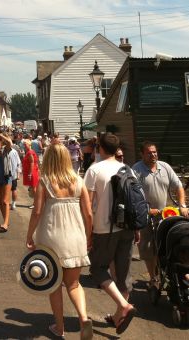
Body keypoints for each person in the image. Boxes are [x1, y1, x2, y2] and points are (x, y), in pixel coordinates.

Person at [26, 143, 93, 340]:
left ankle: (60, 328)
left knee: (53, 284)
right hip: (75, 237)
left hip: (51, 237)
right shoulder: (79, 181)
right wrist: (88, 235)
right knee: (73, 284)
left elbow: (37, 212)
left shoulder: (45, 182)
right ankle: (83, 317)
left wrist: (29, 235)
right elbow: (88, 214)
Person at [83, 133, 137, 334]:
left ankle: (123, 307)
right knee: (123, 274)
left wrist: (88, 232)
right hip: (128, 227)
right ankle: (118, 317)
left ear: (100, 149)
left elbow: (87, 206)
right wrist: (136, 228)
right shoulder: (128, 169)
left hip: (104, 228)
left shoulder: (94, 170)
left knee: (97, 268)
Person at [132, 141, 189, 290]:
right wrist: (146, 208)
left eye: (155, 152)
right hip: (146, 215)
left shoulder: (165, 167)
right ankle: (153, 278)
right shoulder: (136, 170)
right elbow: (133, 195)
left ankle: (170, 273)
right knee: (148, 247)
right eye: (149, 153)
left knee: (167, 245)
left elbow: (178, 187)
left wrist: (182, 205)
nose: (153, 155)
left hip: (165, 214)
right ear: (142, 154)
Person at [22, 140, 39, 209]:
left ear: (29, 144)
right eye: (24, 144)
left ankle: (35, 204)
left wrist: (30, 174)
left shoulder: (30, 152)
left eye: (25, 144)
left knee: (34, 188)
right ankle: (36, 203)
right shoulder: (29, 152)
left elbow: (32, 162)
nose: (24, 145)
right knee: (33, 188)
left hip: (32, 172)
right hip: (33, 171)